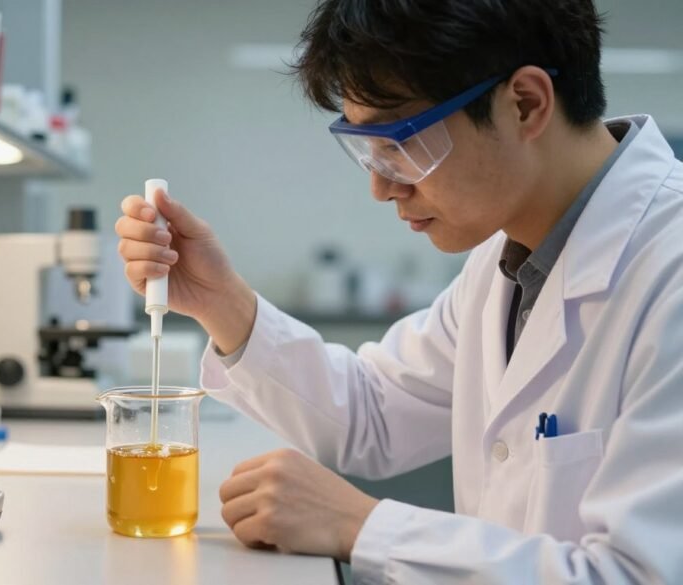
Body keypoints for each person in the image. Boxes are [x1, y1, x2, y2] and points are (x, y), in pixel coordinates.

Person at [115, 0, 683, 581]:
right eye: (367, 148)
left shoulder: (670, 272)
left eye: (402, 143)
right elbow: (374, 414)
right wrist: (218, 299)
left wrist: (360, 526)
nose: (382, 188)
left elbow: (635, 574)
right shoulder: (508, 256)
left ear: (525, 104)